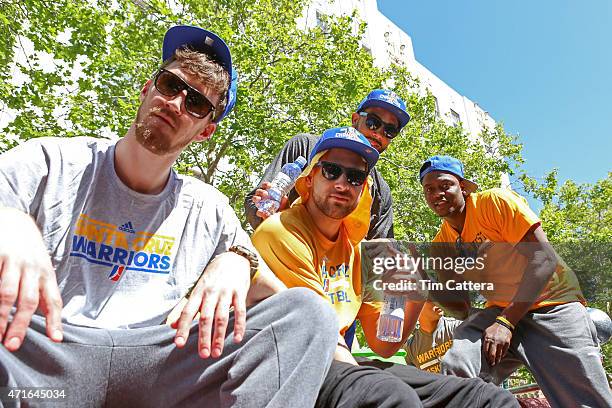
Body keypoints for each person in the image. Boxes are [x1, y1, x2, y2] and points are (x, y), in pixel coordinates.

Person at [0, 25, 338, 407]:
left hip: (160, 367)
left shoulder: (207, 207)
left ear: (205, 131)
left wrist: (238, 261)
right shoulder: (49, 162)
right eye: (169, 84)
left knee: (311, 312)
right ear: (147, 88)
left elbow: (287, 305)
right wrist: (11, 221)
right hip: (42, 355)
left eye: (195, 103)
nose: (176, 103)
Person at [252, 127, 518, 408]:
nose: (343, 183)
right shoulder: (281, 232)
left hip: (341, 362)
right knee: (391, 395)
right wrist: (367, 380)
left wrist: (412, 293)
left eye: (355, 177)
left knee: (486, 399)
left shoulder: (357, 252)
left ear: (364, 189)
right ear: (310, 178)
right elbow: (320, 336)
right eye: (331, 171)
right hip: (290, 361)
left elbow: (385, 342)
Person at [419, 155, 612, 408]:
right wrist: (423, 283)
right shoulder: (441, 245)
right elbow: (460, 308)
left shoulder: (494, 202)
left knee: (584, 401)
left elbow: (544, 259)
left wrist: (506, 322)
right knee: (457, 370)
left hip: (551, 303)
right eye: (429, 189)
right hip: (498, 311)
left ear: (463, 187)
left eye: (445, 185)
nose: (437, 194)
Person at [245, 88, 411, 239]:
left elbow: (379, 251)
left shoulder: (381, 191)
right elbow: (257, 203)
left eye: (390, 130)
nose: (379, 134)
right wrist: (266, 212)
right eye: (373, 122)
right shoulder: (304, 147)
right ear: (355, 119)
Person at [403, 301, 461, 373]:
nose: (438, 302)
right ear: (415, 307)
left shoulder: (458, 328)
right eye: (431, 299)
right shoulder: (411, 348)